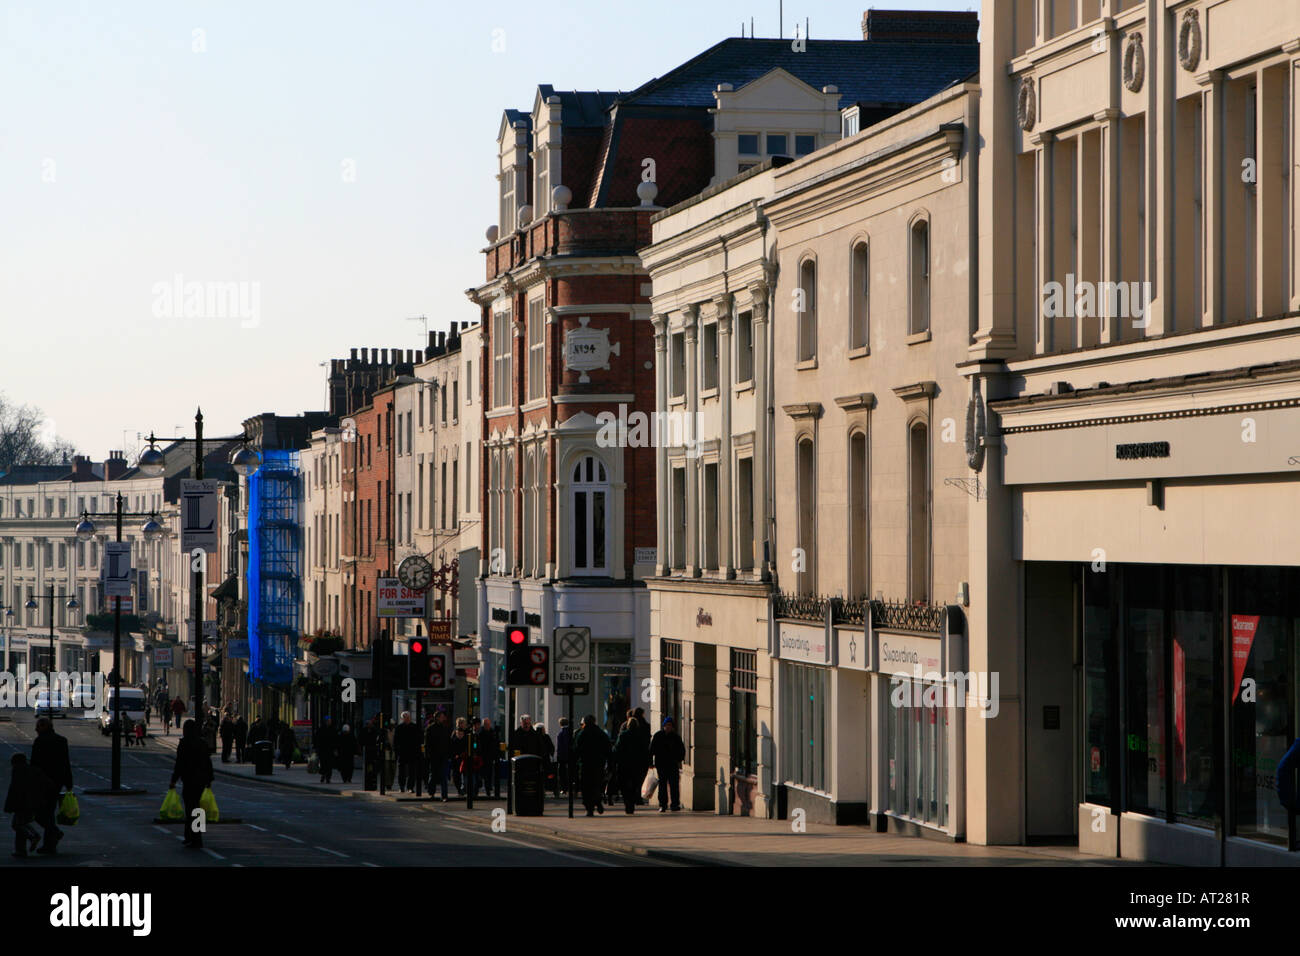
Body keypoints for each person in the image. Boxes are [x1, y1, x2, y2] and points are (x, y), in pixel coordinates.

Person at [30, 717, 73, 854]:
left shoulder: (39, 741)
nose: (36, 729)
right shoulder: (62, 740)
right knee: (49, 812)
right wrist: (68, 782)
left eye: (38, 726)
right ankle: (50, 844)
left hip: (43, 781)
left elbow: (34, 764)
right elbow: (66, 762)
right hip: (57, 781)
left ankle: (53, 835)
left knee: (39, 813)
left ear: (44, 727)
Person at [170, 719, 214, 849]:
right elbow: (208, 762)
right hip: (200, 781)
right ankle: (196, 836)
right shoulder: (202, 743)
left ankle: (192, 837)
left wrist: (173, 780)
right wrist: (209, 779)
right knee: (197, 809)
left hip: (189, 780)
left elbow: (179, 763)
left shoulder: (184, 744)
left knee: (190, 809)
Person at [5, 754, 49, 858]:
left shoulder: (18, 770)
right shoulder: (34, 770)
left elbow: (14, 789)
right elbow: (47, 783)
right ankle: (21, 849)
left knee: (17, 824)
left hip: (22, 802)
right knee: (21, 823)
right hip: (35, 801)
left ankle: (32, 836)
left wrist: (9, 805)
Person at [572, 715, 611, 816]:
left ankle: (589, 808)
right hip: (598, 764)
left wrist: (574, 762)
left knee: (586, 787)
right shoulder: (601, 733)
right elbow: (608, 749)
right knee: (596, 784)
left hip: (585, 764)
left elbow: (576, 749)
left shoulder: (582, 734)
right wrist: (610, 763)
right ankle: (598, 801)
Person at [649, 716, 686, 812]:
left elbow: (682, 750)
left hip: (672, 764)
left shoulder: (676, 737)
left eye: (670, 725)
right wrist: (650, 762)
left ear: (672, 727)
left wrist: (678, 759)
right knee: (662, 785)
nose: (668, 727)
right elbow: (651, 749)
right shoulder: (658, 736)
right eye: (666, 725)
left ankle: (674, 804)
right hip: (661, 764)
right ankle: (663, 804)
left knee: (674, 785)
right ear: (663, 726)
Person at [613, 718, 645, 814]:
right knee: (635, 784)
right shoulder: (640, 736)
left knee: (624, 785)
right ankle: (632, 801)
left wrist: (615, 760)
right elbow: (644, 751)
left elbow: (617, 749)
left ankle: (628, 802)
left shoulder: (623, 735)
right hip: (636, 765)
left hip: (624, 764)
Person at [424, 712, 451, 801]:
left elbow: (448, 742)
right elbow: (427, 743)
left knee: (443, 776)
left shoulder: (445, 728)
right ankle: (431, 792)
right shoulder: (430, 729)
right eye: (442, 717)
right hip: (434, 756)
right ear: (437, 718)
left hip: (443, 755)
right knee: (434, 775)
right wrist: (428, 755)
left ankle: (444, 795)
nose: (443, 718)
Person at [393, 711, 422, 793]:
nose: (407, 719)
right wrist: (397, 751)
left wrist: (418, 751)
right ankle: (401, 786)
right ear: (402, 718)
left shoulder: (414, 727)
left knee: (412, 771)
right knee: (401, 771)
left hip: (412, 752)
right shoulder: (399, 728)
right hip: (402, 752)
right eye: (405, 717)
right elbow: (396, 741)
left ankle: (410, 787)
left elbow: (419, 739)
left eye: (408, 717)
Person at [633, 707, 653, 803]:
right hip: (643, 756)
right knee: (641, 777)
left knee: (633, 778)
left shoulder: (628, 726)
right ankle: (638, 797)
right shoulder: (646, 726)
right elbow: (649, 743)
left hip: (632, 757)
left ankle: (633, 796)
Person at [478, 718, 499, 797]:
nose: (487, 726)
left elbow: (496, 743)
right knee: (484, 774)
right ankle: (487, 788)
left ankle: (488, 788)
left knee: (489, 774)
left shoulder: (493, 732)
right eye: (485, 724)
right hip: (483, 756)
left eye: (488, 724)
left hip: (490, 756)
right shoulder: (481, 733)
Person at [315, 716, 339, 783]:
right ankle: (323, 775)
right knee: (323, 764)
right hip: (323, 750)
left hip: (330, 750)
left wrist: (335, 749)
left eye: (330, 721)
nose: (329, 722)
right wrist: (317, 749)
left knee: (330, 765)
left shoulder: (333, 729)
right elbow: (317, 740)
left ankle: (328, 778)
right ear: (325, 722)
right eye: (328, 721)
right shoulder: (321, 729)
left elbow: (336, 740)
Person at [449, 718, 469, 795]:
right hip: (456, 758)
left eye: (462, 723)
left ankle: (464, 789)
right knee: (456, 775)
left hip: (464, 757)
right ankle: (459, 789)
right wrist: (453, 755)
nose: (461, 725)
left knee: (465, 774)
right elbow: (451, 745)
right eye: (460, 723)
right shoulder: (454, 733)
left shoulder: (467, 733)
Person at [535, 722, 556, 794]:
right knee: (547, 774)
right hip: (545, 759)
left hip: (537, 759)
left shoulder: (535, 737)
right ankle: (548, 787)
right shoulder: (546, 737)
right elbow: (551, 747)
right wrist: (551, 753)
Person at [556, 717, 573, 796]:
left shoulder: (561, 733)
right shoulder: (571, 732)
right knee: (570, 772)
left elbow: (560, 746)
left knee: (562, 773)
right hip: (570, 755)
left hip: (562, 756)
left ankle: (564, 788)